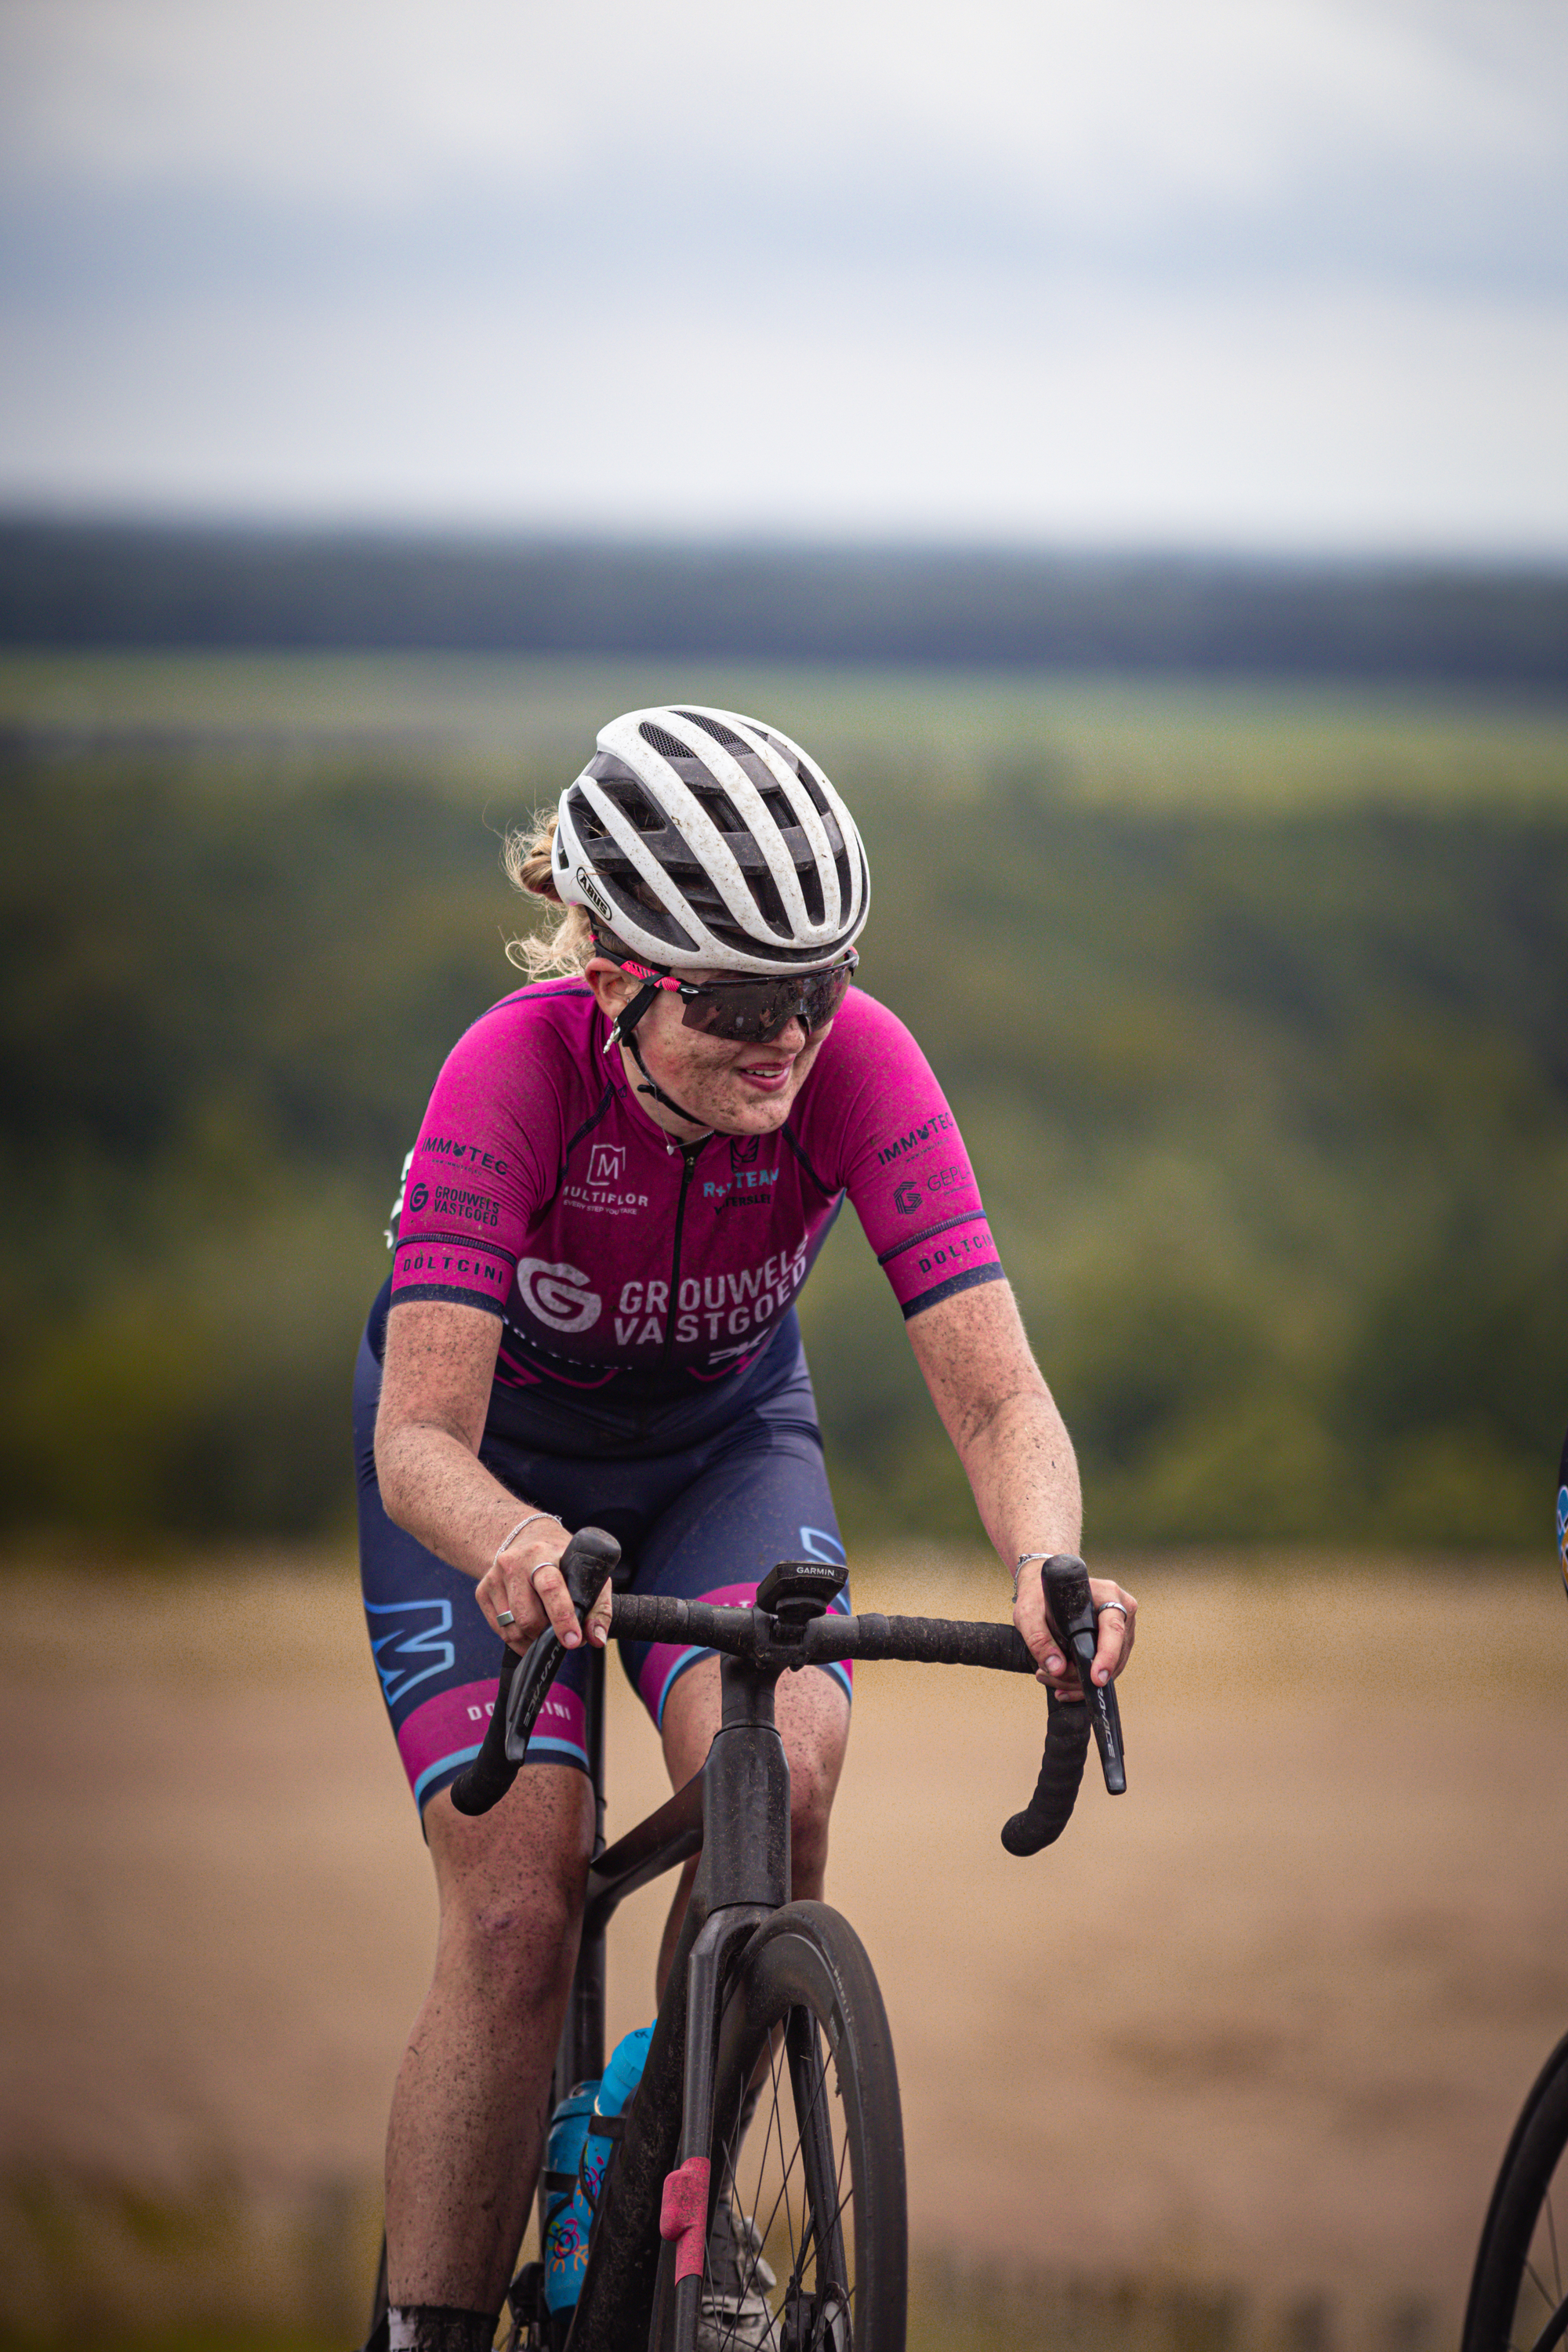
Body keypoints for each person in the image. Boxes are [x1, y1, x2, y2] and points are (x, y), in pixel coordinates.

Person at [354, 703, 1137, 2352]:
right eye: (737, 1000)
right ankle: (421, 2326)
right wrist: (506, 1538)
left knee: (784, 1779)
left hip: (720, 1448)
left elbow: (998, 1398)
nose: (788, 1036)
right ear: (616, 971)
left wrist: (1047, 1566)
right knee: (517, 1900)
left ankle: (667, 2177)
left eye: (817, 987)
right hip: (499, 1476)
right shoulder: (508, 1075)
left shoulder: (860, 1062)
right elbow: (418, 1436)